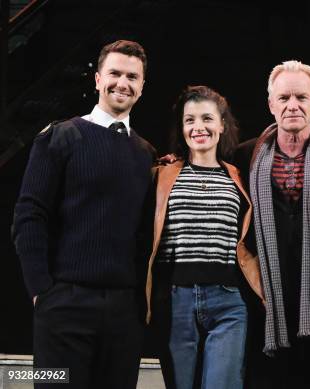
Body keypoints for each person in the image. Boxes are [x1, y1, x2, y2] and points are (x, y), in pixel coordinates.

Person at [12, 40, 155, 389]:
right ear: (96, 79)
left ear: (141, 86)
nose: (123, 83)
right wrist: (42, 293)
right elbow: (29, 214)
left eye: (132, 76)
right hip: (63, 306)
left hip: (123, 314)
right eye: (115, 73)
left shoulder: (145, 153)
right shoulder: (59, 137)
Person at [233, 60, 310, 389]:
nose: (292, 105)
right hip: (263, 307)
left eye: (301, 97)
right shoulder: (241, 159)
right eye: (283, 98)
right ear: (271, 104)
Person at [144, 85, 264, 389]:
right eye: (190, 120)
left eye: (207, 119)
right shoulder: (162, 173)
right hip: (176, 299)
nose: (199, 127)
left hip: (229, 301)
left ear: (222, 125)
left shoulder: (238, 175)